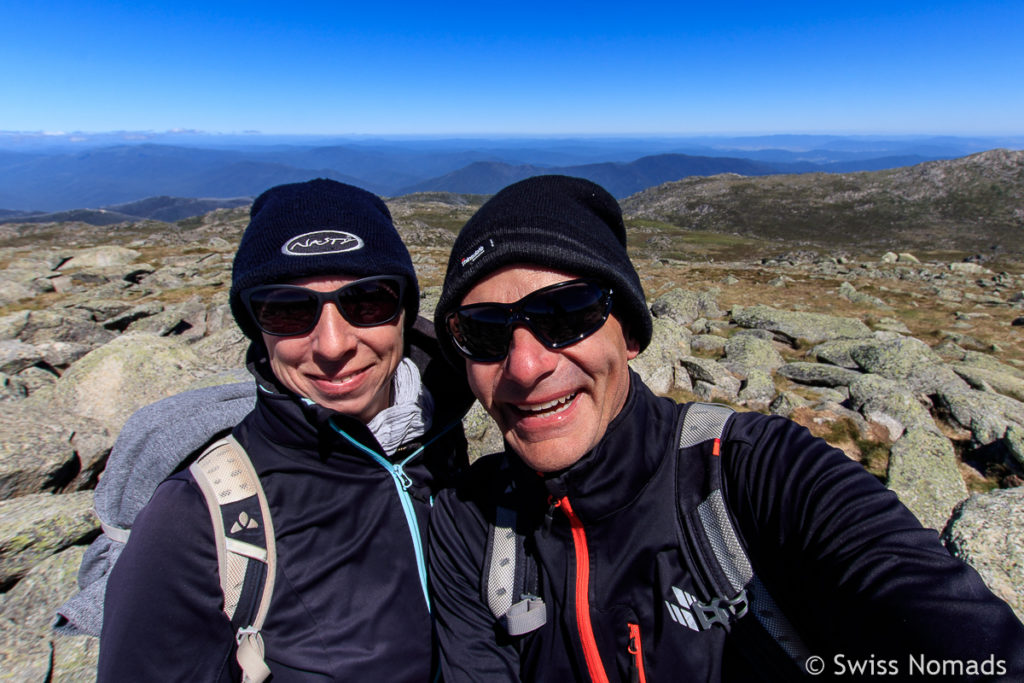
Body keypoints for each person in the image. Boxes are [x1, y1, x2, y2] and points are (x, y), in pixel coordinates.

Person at [427, 175, 1024, 682]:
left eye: (566, 314)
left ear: (631, 335)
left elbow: (953, 632)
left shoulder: (754, 471)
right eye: (483, 331)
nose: (527, 366)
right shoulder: (471, 526)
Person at [98, 178, 472, 681]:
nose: (333, 344)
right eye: (290, 309)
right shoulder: (191, 521)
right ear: (256, 326)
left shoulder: (440, 429)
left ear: (404, 309)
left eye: (367, 300)